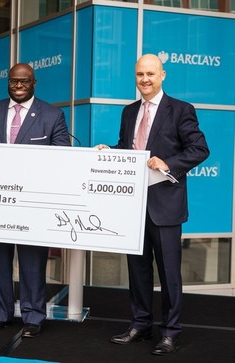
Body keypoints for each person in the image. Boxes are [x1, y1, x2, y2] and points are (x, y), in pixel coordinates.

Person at [97, 54, 209, 355]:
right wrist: (111, 152)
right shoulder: (129, 111)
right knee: (138, 271)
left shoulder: (181, 110)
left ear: (162, 75)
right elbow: (128, 149)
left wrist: (168, 162)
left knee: (169, 273)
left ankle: (170, 331)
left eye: (150, 74)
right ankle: (140, 324)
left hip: (165, 205)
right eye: (139, 74)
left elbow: (200, 149)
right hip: (134, 205)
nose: (144, 79)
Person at [0, 63, 71, 338]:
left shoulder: (52, 115)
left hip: (32, 204)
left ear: (34, 83)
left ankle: (33, 317)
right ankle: (0, 314)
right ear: (8, 81)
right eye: (14, 81)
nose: (18, 86)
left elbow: (63, 155)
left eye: (24, 82)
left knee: (32, 263)